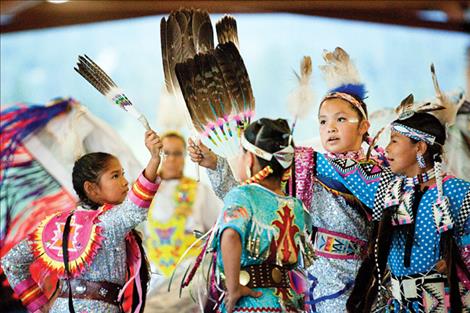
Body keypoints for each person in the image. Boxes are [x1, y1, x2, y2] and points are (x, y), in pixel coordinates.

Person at [189, 47, 384, 312]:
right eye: (323, 122)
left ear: (364, 126)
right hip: (317, 279)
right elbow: (256, 202)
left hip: (367, 279)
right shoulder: (306, 165)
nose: (331, 128)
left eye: (341, 119)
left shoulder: (382, 172)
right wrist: (216, 165)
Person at [311, 91, 470, 311]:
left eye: (394, 141)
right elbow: (341, 169)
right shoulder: (388, 188)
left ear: (419, 148)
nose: (387, 149)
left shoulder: (458, 192)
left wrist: (456, 263)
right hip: (397, 305)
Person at [1, 130, 163, 313]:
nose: (125, 182)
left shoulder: (54, 226)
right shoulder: (107, 223)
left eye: (123, 174)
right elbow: (134, 208)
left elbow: (11, 262)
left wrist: (38, 306)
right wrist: (154, 160)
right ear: (92, 188)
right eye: (115, 176)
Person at [190, 118, 313, 312]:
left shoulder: (242, 195)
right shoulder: (295, 205)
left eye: (241, 153)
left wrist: (234, 287)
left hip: (250, 303)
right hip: (286, 303)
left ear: (250, 159)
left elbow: (230, 234)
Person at [142, 131, 221, 313]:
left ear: (185, 157)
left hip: (189, 278)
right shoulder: (145, 190)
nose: (171, 159)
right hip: (152, 278)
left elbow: (218, 231)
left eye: (177, 153)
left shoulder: (200, 191)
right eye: (166, 153)